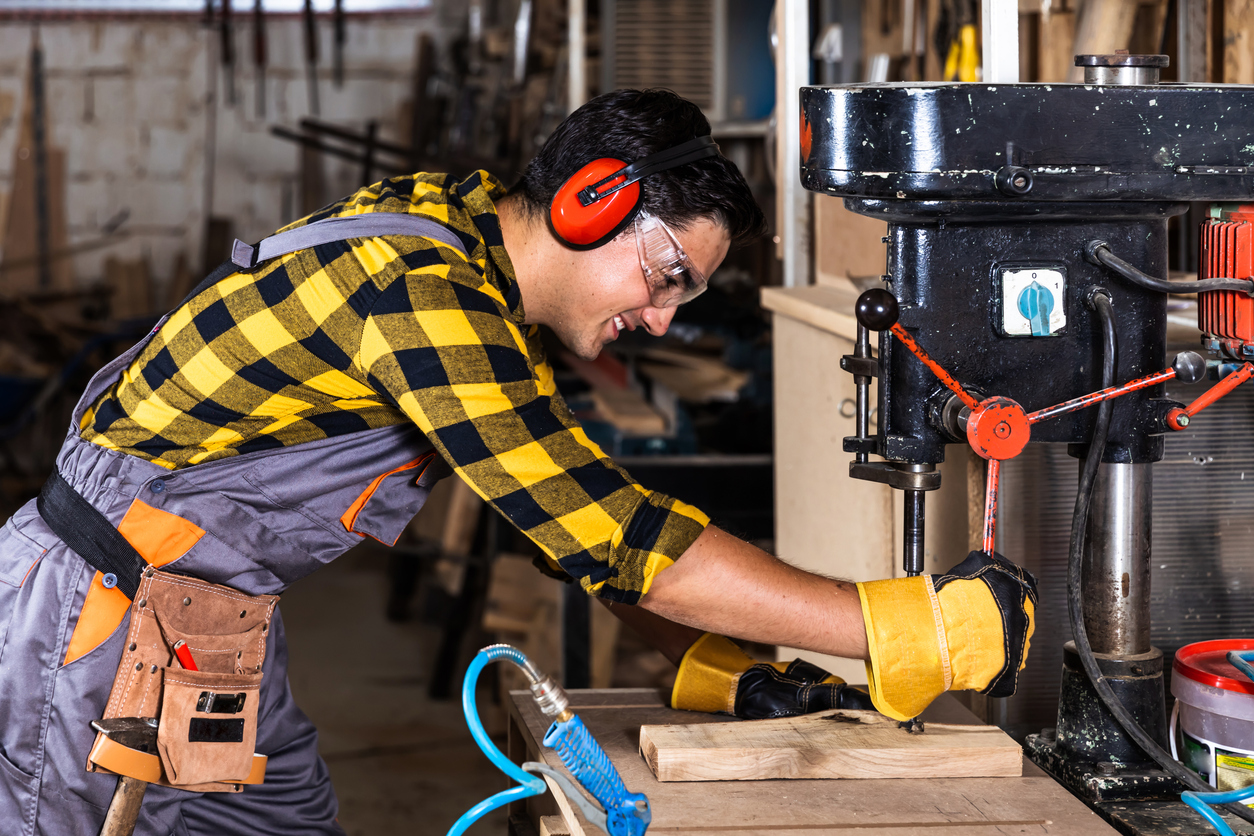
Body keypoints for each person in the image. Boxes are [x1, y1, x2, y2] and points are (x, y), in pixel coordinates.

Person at [0, 88, 1035, 836]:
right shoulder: (425, 295)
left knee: (284, 819)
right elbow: (624, 538)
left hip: (200, 619)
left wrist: (712, 666)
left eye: (685, 296)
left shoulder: (469, 255)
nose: (659, 314)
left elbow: (563, 525)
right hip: (98, 623)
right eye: (665, 271)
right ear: (590, 200)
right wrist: (906, 627)